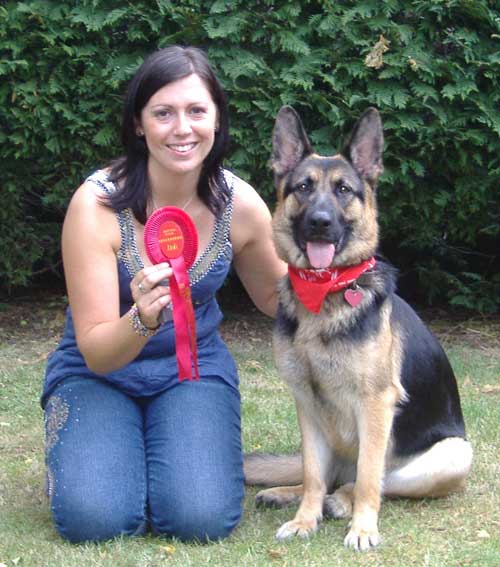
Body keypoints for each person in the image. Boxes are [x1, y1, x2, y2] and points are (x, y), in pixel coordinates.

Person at [42, 45, 286, 544]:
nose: (182, 128)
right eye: (163, 113)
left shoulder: (240, 204)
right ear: (139, 124)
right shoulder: (96, 205)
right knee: (95, 520)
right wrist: (141, 319)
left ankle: (154, 454)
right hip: (98, 373)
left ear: (216, 120)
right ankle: (90, 459)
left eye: (197, 111)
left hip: (192, 371)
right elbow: (95, 348)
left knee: (200, 519)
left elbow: (274, 297)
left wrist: (331, 274)